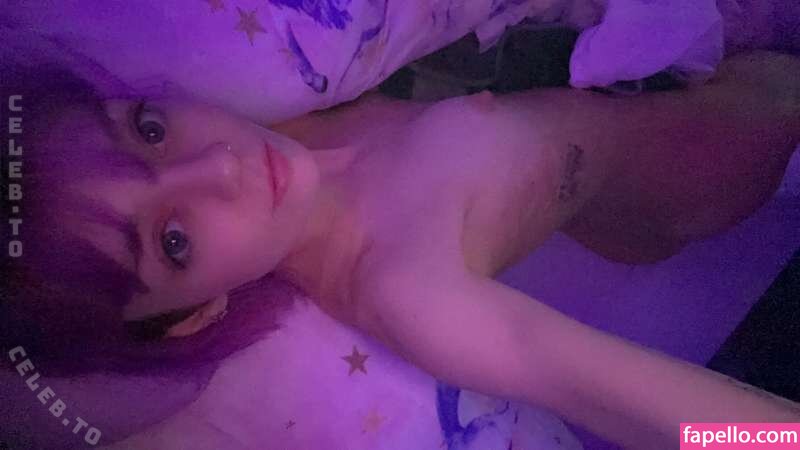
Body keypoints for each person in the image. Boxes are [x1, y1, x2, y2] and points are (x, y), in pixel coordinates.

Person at [2, 50, 799, 449]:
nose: (217, 167)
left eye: (147, 130)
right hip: (711, 163)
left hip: (643, 109)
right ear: (194, 314)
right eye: (174, 241)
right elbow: (638, 405)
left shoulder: (273, 114)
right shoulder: (403, 289)